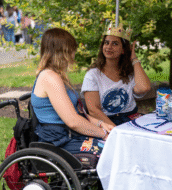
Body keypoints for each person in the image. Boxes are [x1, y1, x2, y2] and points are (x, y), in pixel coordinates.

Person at [31, 28, 114, 156]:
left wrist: (101, 124)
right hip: (59, 141)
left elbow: (78, 113)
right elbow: (73, 121)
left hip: (68, 136)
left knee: (116, 146)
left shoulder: (56, 76)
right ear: (64, 51)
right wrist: (103, 134)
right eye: (72, 49)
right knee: (113, 151)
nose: (74, 53)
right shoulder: (50, 77)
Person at [81, 23, 151, 126]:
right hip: (106, 121)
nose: (109, 47)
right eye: (106, 43)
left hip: (130, 118)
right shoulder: (93, 75)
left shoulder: (129, 72)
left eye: (115, 44)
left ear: (123, 50)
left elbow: (144, 87)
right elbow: (93, 110)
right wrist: (115, 130)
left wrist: (134, 59)